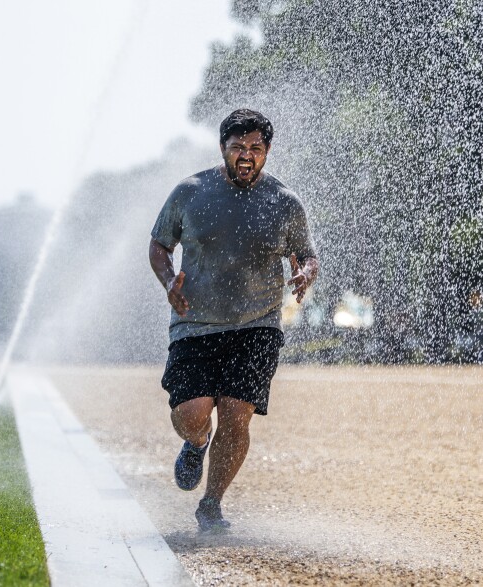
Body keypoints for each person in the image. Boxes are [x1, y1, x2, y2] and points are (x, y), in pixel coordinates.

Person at [148, 109, 319, 533]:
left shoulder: (285, 203)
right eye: (238, 147)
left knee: (236, 415)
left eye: (256, 149)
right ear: (222, 148)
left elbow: (309, 253)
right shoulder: (190, 193)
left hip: (257, 325)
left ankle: (212, 505)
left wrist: (305, 273)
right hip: (195, 322)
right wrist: (170, 280)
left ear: (268, 151)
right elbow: (158, 244)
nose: (247, 156)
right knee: (192, 413)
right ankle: (196, 441)